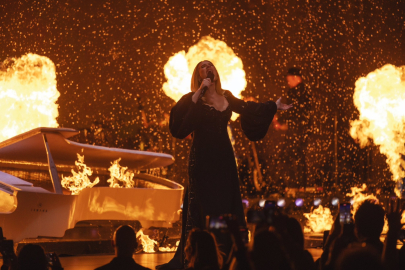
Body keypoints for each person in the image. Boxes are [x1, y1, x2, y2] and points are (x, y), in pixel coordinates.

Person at [157, 60, 292, 269]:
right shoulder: (192, 99)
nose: (208, 67)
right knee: (202, 203)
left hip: (224, 158)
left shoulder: (226, 96)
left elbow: (247, 108)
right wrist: (199, 92)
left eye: (210, 65)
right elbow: (179, 126)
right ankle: (201, 254)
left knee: (225, 201)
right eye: (202, 66)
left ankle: (228, 251)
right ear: (198, 74)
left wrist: (272, 106)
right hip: (202, 158)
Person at [278, 67, 312, 190]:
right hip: (301, 131)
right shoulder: (304, 91)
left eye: (289, 81)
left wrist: (283, 122)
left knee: (288, 158)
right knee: (298, 158)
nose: (288, 84)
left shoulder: (296, 92)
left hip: (297, 132)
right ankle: (299, 185)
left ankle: (292, 186)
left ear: (296, 78)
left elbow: (293, 111)